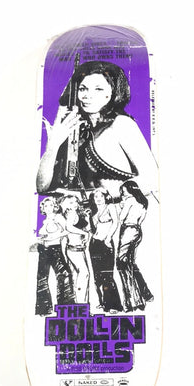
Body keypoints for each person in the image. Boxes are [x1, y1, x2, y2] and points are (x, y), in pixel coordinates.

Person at [37, 60, 158, 200]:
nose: (88, 96)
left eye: (98, 89)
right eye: (83, 89)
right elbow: (42, 187)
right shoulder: (76, 131)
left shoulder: (122, 125)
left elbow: (152, 179)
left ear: (113, 92)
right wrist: (53, 145)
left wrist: (92, 196)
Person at [116, 180, 154, 311]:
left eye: (124, 191)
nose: (123, 194)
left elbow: (121, 218)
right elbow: (141, 219)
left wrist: (121, 207)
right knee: (131, 263)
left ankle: (133, 300)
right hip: (137, 230)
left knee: (121, 263)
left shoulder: (129, 200)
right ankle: (145, 294)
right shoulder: (143, 202)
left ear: (129, 190)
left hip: (128, 230)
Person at [35, 197, 75, 315]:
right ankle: (44, 309)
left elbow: (68, 230)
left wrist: (54, 236)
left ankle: (65, 307)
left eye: (51, 205)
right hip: (43, 250)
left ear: (55, 207)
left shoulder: (58, 217)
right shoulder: (43, 220)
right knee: (42, 278)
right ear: (42, 208)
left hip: (55, 249)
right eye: (46, 206)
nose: (48, 208)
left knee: (64, 275)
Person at [88, 188, 123, 313]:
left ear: (105, 197)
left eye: (101, 196)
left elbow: (116, 222)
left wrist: (108, 238)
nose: (98, 199)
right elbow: (92, 230)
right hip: (94, 244)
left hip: (106, 243)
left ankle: (113, 305)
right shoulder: (93, 211)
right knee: (97, 276)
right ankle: (103, 302)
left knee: (108, 275)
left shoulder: (110, 207)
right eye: (96, 196)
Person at [60, 195, 91, 303]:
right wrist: (84, 233)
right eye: (71, 202)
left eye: (76, 202)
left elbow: (87, 228)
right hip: (74, 249)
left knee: (78, 276)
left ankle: (80, 303)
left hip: (78, 249)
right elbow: (69, 227)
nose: (75, 204)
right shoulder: (71, 213)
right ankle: (82, 303)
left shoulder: (75, 213)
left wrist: (87, 217)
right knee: (84, 274)